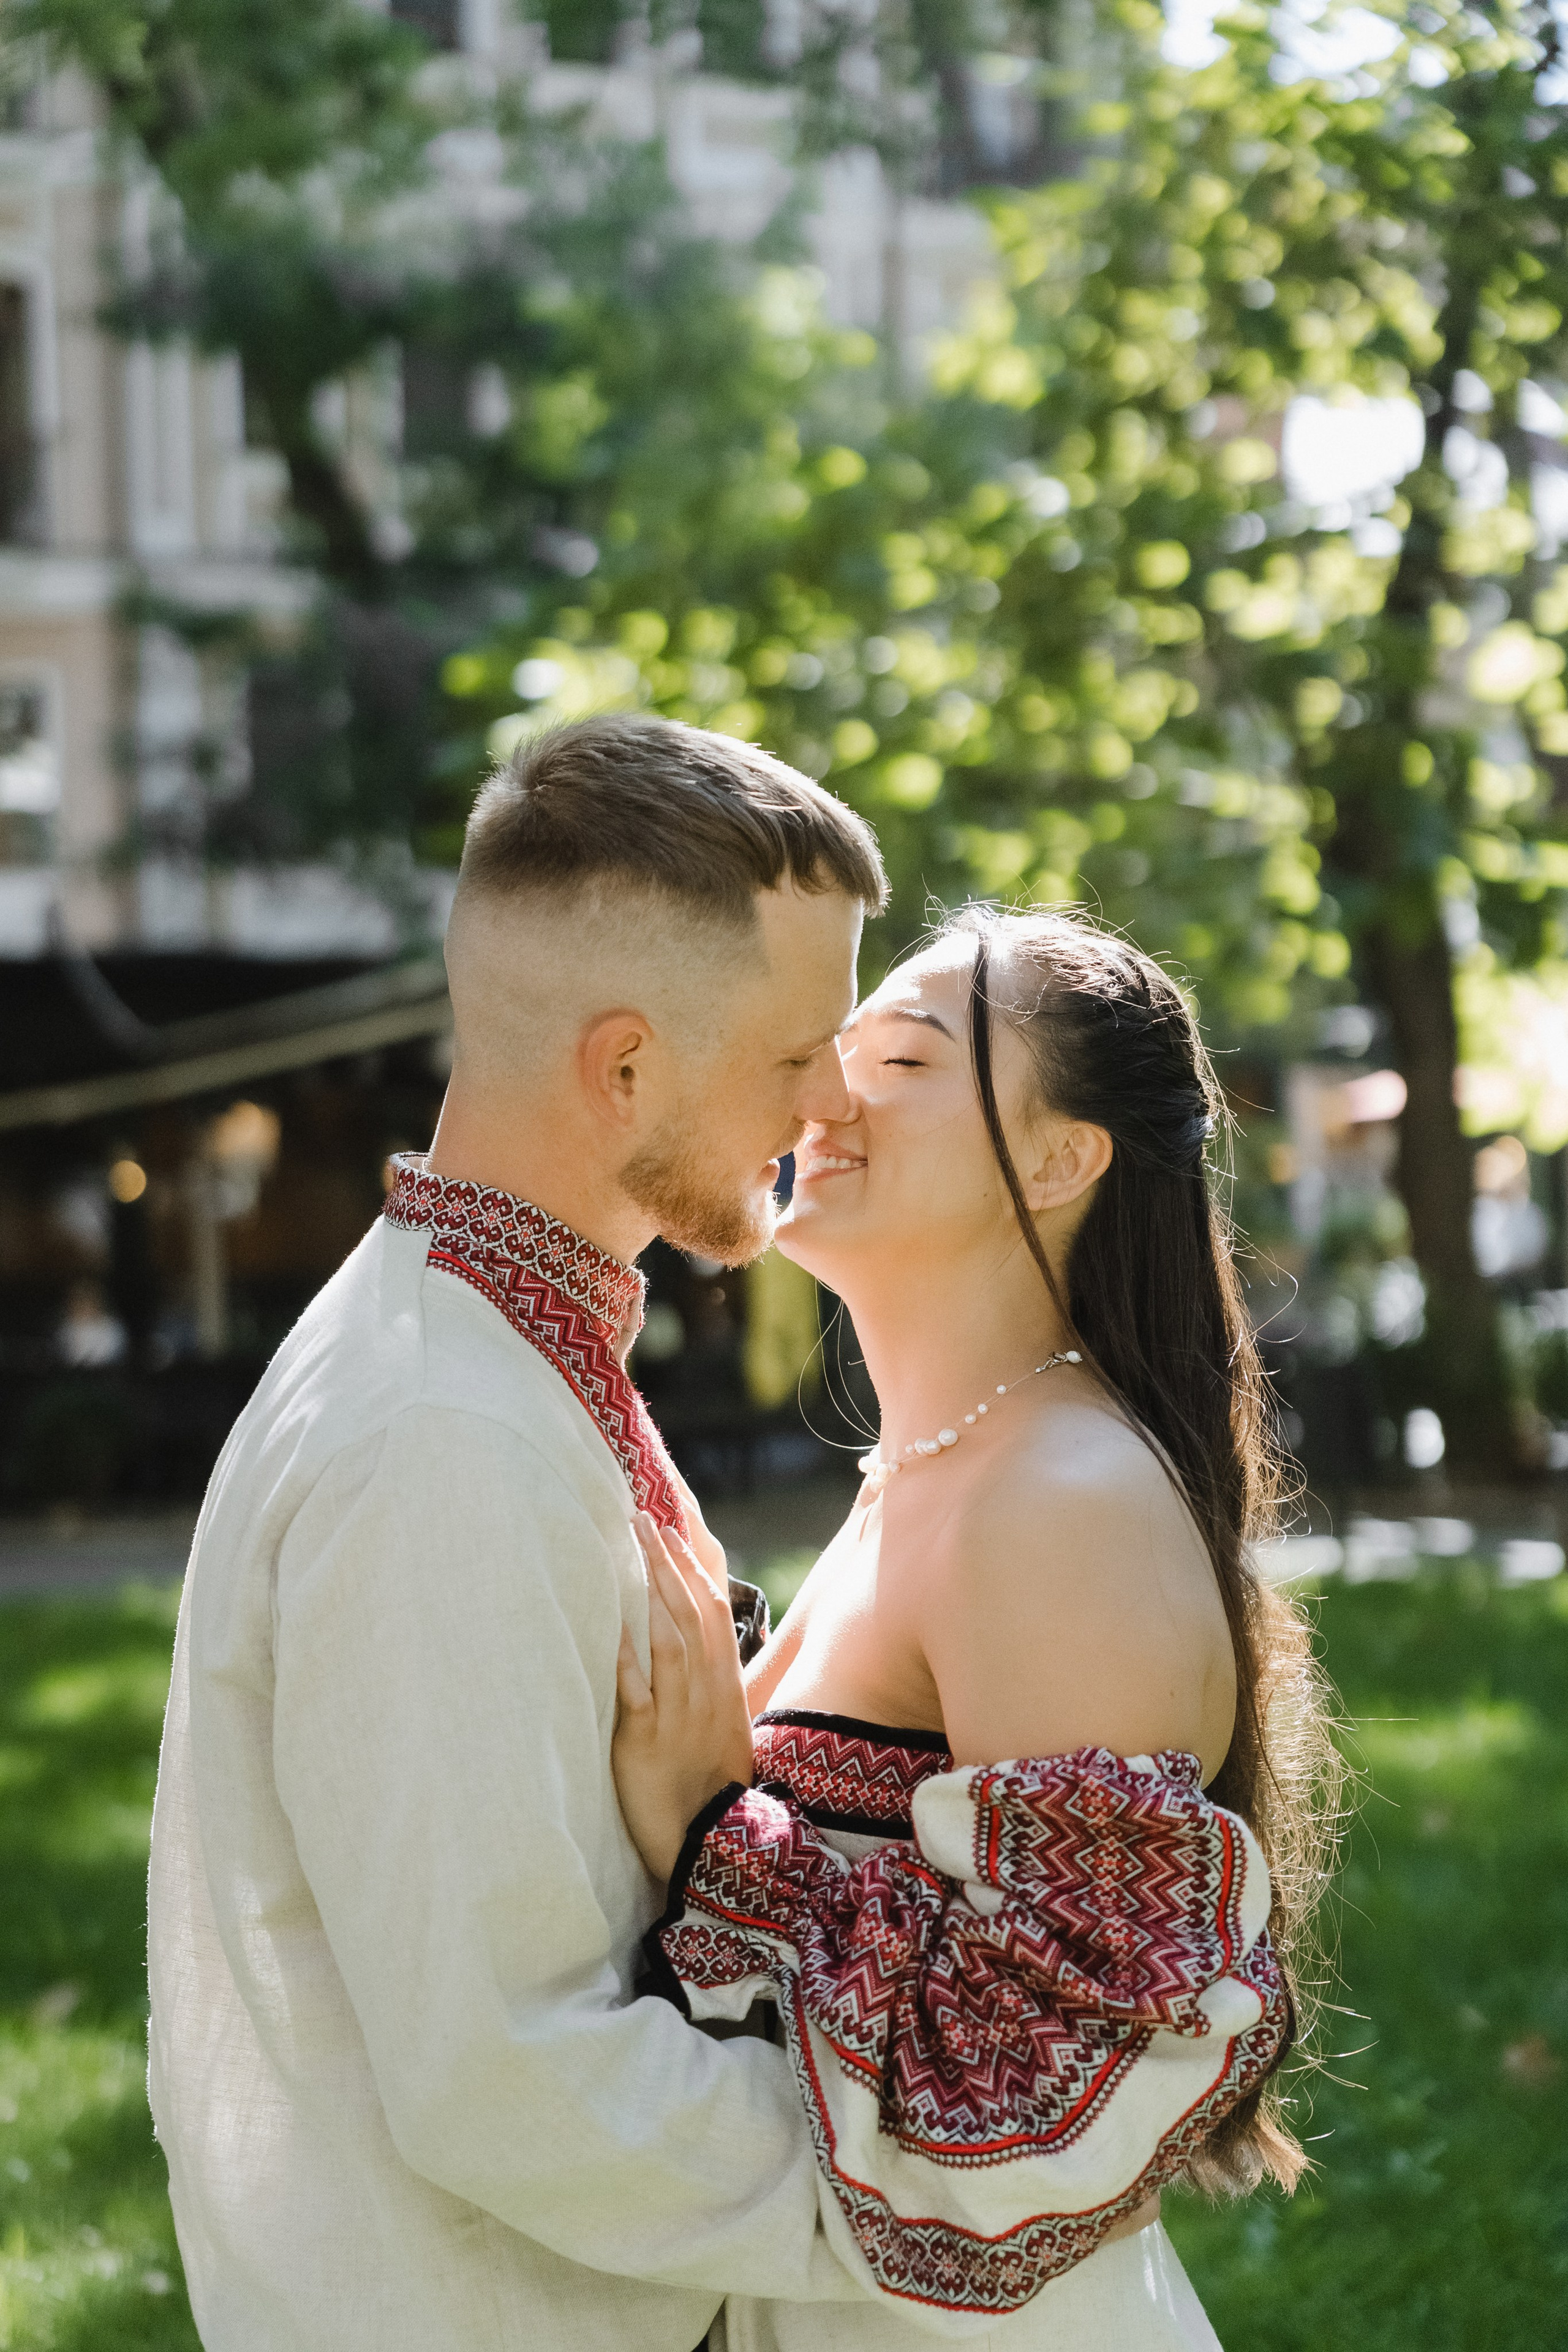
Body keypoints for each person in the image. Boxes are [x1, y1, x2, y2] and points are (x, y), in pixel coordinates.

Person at [145, 714, 949, 2351]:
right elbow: (500, 2069)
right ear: (626, 1067)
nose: (833, 1096)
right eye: (799, 1046)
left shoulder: (502, 1343)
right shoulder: (435, 1439)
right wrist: (945, 2182)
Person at [614, 907, 1341, 2350]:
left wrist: (716, 1828)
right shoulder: (941, 1471)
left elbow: (1058, 2062)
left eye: (900, 1057)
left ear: (1066, 1157)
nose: (824, 1088)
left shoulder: (1057, 1503)